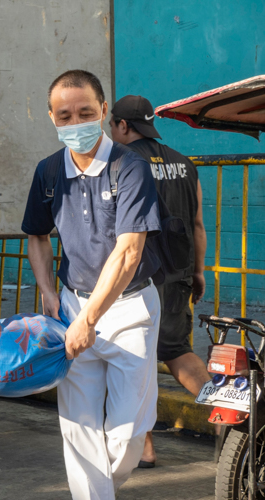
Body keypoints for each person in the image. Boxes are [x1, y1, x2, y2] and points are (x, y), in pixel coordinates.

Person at [22, 70, 162, 500]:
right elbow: (37, 236)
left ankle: (100, 488)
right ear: (51, 118)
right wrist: (49, 294)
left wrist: (89, 318)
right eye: (64, 115)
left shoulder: (131, 167)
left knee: (127, 435)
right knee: (79, 427)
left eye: (85, 112)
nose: (75, 122)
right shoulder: (48, 172)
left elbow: (129, 253)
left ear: (104, 110)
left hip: (129, 311)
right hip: (71, 304)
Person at [110, 95, 209, 468]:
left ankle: (145, 447)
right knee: (177, 351)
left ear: (122, 125)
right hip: (178, 273)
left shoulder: (121, 163)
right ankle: (226, 421)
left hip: (137, 276)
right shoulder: (185, 164)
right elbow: (197, 224)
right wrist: (198, 272)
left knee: (134, 360)